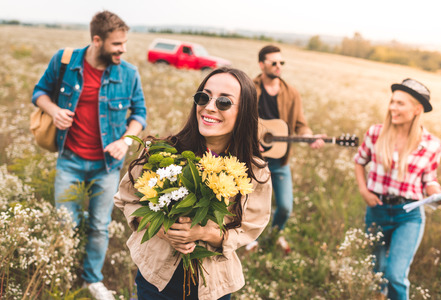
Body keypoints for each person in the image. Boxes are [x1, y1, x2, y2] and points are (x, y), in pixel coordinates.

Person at [114, 67, 272, 300]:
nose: (209, 107)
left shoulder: (254, 169)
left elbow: (250, 226)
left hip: (213, 284)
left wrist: (207, 232)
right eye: (203, 97)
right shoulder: (165, 151)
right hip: (156, 279)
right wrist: (161, 229)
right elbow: (127, 200)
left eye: (224, 102)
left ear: (244, 112)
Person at [31, 11, 147, 299]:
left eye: (125, 43)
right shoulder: (65, 61)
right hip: (69, 160)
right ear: (97, 41)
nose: (123, 49)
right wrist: (54, 110)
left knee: (99, 226)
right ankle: (63, 270)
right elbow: (39, 92)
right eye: (117, 44)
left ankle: (91, 280)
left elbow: (140, 114)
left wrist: (124, 140)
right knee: (65, 223)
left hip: (107, 166)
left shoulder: (128, 73)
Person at [354, 78, 441, 300]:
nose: (392, 108)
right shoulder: (376, 133)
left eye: (400, 104)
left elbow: (429, 181)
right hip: (376, 208)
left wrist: (437, 194)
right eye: (392, 102)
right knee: (377, 271)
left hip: (409, 214)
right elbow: (359, 161)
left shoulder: (431, 144)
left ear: (417, 109)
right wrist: (363, 191)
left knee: (395, 275)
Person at [247, 45, 324, 253]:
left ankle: (273, 235)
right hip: (252, 158)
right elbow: (240, 121)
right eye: (274, 63)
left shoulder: (292, 92)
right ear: (262, 64)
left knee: (285, 207)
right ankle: (249, 239)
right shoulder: (249, 88)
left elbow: (300, 124)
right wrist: (253, 142)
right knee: (252, 205)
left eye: (281, 62)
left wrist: (308, 137)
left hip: (280, 160)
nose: (278, 66)